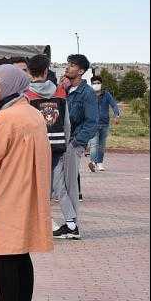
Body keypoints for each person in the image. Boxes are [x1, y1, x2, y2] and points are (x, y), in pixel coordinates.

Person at [0, 65, 53, 301]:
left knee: (7, 258)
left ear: (11, 84)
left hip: (8, 195)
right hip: (31, 195)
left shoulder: (4, 119)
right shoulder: (35, 114)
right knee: (22, 256)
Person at [52, 54, 98, 240]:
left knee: (70, 184)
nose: (67, 67)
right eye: (68, 64)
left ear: (80, 71)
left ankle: (72, 226)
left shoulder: (86, 93)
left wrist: (76, 142)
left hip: (72, 144)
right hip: (60, 143)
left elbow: (92, 122)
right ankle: (70, 223)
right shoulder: (66, 89)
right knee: (56, 182)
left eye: (71, 65)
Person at [24, 54, 70, 204]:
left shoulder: (25, 95)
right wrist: (66, 141)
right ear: (46, 71)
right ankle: (67, 220)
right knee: (55, 183)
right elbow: (66, 122)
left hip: (34, 145)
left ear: (29, 72)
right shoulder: (60, 91)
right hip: (57, 144)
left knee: (34, 183)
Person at [88, 75, 120, 172]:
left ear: (101, 84)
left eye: (98, 83)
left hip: (104, 124)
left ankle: (100, 163)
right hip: (92, 124)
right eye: (94, 83)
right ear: (91, 84)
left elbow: (114, 105)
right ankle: (92, 163)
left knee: (101, 145)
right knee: (93, 145)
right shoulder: (88, 94)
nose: (96, 85)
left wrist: (116, 115)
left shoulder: (107, 95)